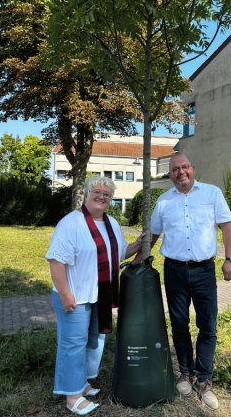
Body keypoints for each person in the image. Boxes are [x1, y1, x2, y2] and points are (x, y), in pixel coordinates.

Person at [135, 152, 231, 411]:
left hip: (204, 271)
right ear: (169, 174)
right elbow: (154, 234)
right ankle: (186, 373)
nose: (181, 172)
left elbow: (227, 227)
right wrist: (138, 259)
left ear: (193, 168)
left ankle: (204, 380)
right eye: (175, 169)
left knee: (208, 325)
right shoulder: (164, 202)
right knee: (179, 324)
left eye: (185, 167)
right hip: (174, 271)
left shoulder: (212, 194)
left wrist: (230, 259)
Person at [46, 175, 144, 415]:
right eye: (97, 192)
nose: (102, 196)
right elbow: (56, 261)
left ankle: (81, 383)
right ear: (86, 194)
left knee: (91, 342)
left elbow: (119, 253)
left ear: (111, 199)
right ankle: (72, 396)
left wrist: (141, 243)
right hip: (76, 296)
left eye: (107, 194)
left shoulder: (111, 223)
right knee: (73, 345)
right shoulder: (72, 223)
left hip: (99, 294)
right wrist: (66, 293)